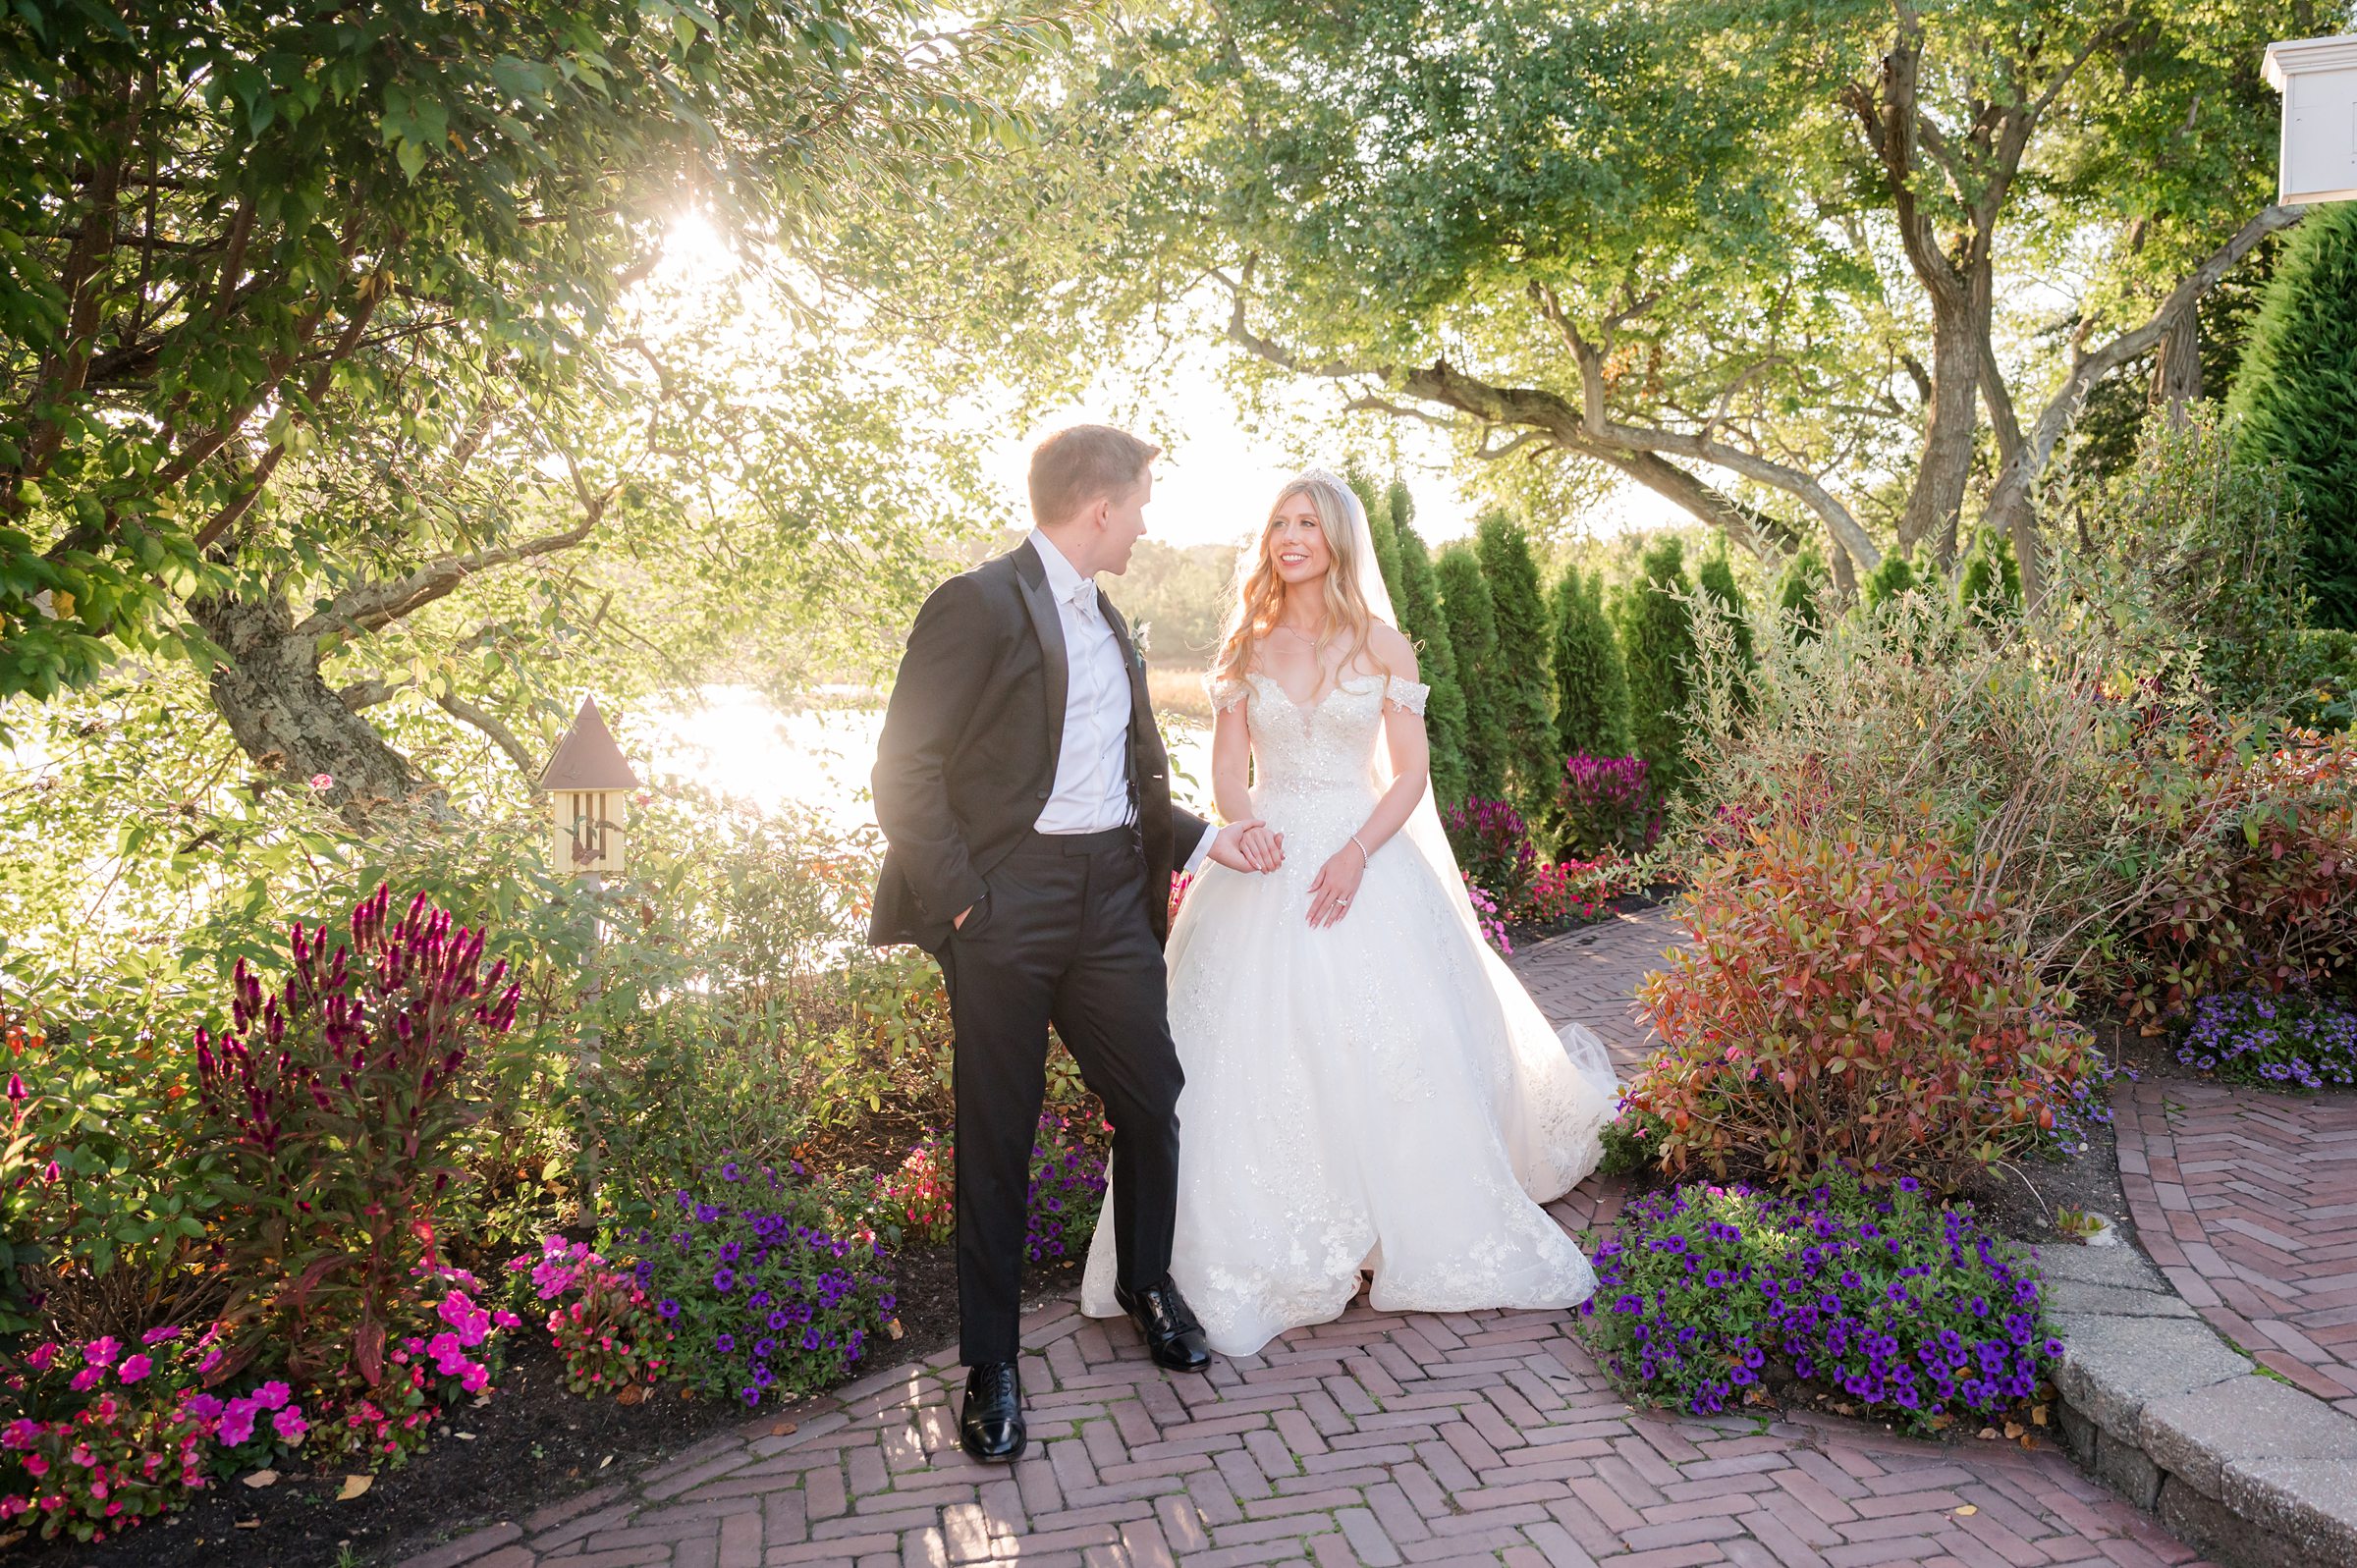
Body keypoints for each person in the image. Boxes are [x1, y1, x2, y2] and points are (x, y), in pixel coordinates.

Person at [1079, 468, 1617, 1355]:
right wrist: (1243, 831)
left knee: (1391, 1040)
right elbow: (1226, 769)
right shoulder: (1244, 646)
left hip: (1359, 854)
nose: (1290, 536)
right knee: (1244, 1049)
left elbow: (1408, 772)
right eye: (1279, 521)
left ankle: (1394, 1222)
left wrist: (1358, 852)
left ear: (1337, 539)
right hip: (1267, 853)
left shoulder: (1382, 646)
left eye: (1308, 522)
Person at [869, 425, 1276, 1462]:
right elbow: (903, 768)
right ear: (1099, 505)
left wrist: (1210, 839)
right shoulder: (975, 603)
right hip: (1006, 907)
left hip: (1107, 904)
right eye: (1140, 504)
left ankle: (1147, 1282)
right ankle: (992, 1365)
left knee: (1152, 1098)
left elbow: (1121, 785)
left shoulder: (1109, 615)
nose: (1146, 522)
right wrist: (966, 905)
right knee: (996, 1135)